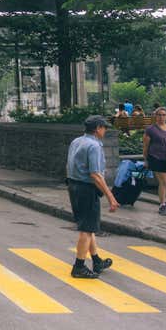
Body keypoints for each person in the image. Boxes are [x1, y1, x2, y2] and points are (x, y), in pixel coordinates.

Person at [66, 116, 119, 279]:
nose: (105, 130)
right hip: (86, 188)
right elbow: (96, 175)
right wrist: (111, 197)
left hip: (73, 185)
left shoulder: (77, 141)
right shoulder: (94, 146)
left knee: (89, 226)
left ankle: (96, 261)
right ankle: (79, 267)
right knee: (86, 230)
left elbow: (69, 164)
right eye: (104, 127)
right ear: (97, 128)